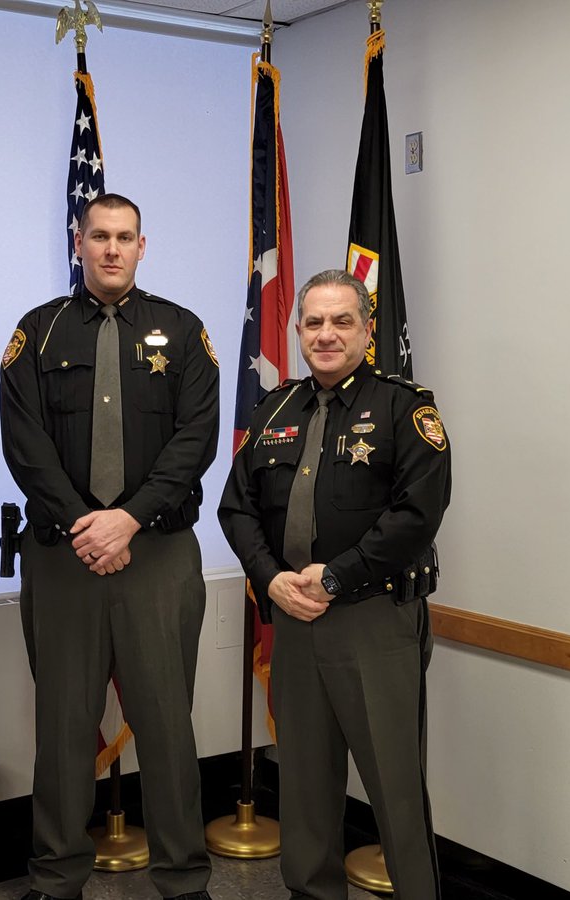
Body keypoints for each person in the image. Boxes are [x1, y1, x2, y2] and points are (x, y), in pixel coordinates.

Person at [0, 194, 220, 900]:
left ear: (143, 246)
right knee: (64, 727)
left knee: (165, 723)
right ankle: (57, 877)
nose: (112, 249)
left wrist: (127, 520)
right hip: (63, 558)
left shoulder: (182, 332)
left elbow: (196, 441)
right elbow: (24, 443)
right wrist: (85, 525)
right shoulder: (38, 332)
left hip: (157, 554)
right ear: (79, 242)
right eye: (100, 236)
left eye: (125, 237)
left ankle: (182, 879)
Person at [219, 269, 451, 900]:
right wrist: (272, 581)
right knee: (305, 787)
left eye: (341, 321)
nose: (326, 334)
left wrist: (338, 576)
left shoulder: (406, 406)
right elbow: (235, 508)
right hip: (294, 618)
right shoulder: (275, 408)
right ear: (297, 330)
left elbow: (418, 511)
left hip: (372, 621)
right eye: (313, 322)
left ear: (367, 329)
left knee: (395, 790)